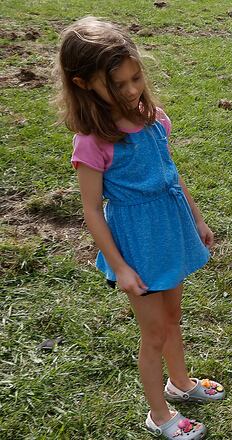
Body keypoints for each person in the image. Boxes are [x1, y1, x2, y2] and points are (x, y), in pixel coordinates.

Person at [56, 17, 222, 439]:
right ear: (83, 83)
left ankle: (180, 382)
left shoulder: (154, 119)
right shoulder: (93, 141)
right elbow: (92, 209)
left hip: (171, 231)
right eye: (117, 84)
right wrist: (120, 266)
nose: (131, 90)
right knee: (153, 333)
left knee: (172, 317)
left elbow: (171, 174)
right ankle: (159, 414)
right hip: (139, 247)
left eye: (135, 78)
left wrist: (197, 218)